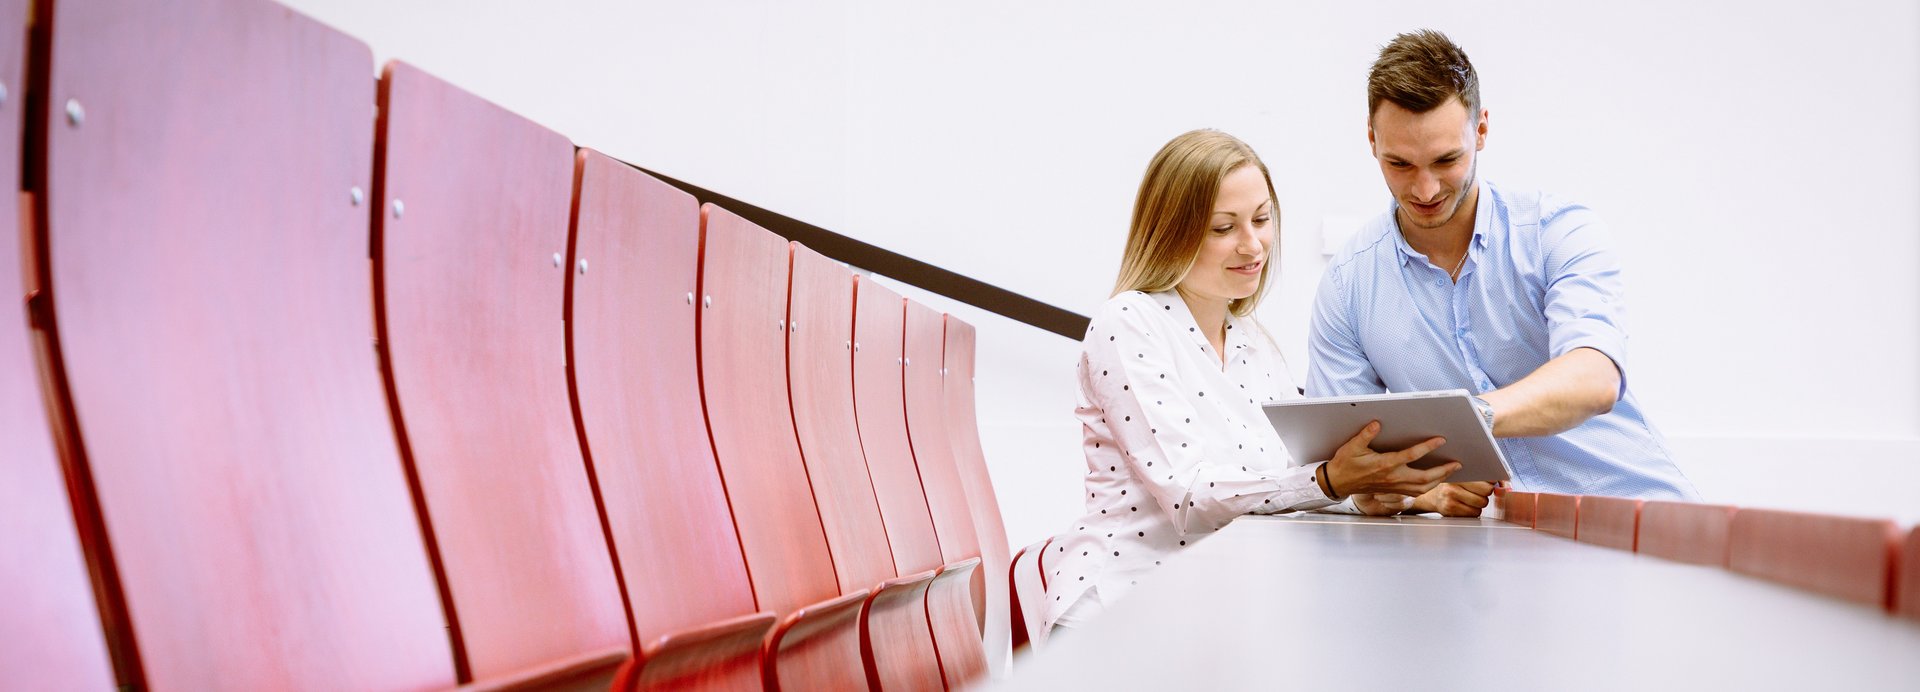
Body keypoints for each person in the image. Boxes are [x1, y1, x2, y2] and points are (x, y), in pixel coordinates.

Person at [1044, 129, 1456, 632]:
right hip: (1118, 610)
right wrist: (1329, 480)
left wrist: (1373, 491)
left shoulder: (1252, 342)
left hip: (1205, 611)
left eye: (1262, 220)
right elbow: (1189, 498)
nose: (1253, 243)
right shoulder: (1128, 323)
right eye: (1223, 228)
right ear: (1170, 232)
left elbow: (1282, 477)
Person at [1307, 30, 1699, 514]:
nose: (1425, 188)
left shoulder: (1558, 232)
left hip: (1636, 517)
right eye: (1400, 163)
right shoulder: (1349, 286)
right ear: (1371, 140)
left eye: (1446, 159)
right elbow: (1347, 471)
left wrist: (1471, 418)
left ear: (1482, 130)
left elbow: (1595, 378)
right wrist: (1417, 495)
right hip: (1495, 549)